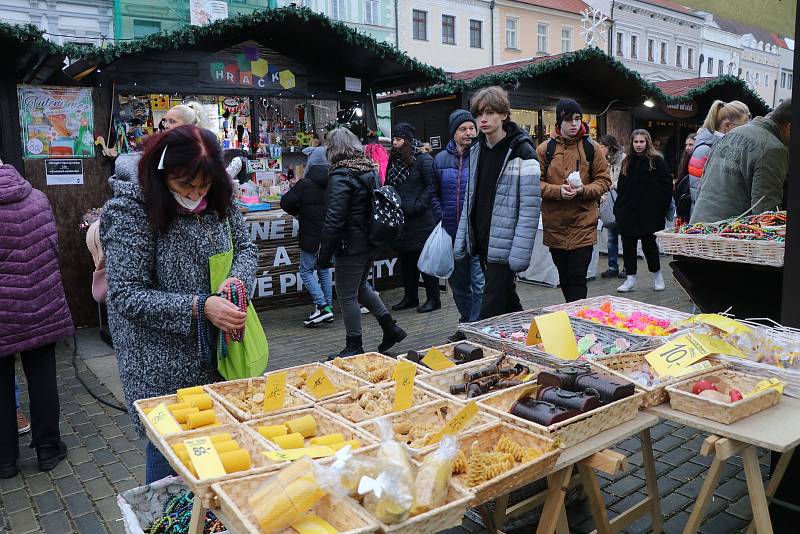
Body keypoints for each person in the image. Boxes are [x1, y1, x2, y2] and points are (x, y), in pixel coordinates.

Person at [100, 124, 257, 483]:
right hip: (160, 362)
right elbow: (126, 294)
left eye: (203, 185)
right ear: (161, 171)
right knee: (170, 454)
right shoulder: (130, 211)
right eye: (185, 184)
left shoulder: (219, 200)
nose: (195, 193)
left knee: (216, 447)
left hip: (218, 353)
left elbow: (247, 248)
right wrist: (201, 307)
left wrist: (237, 279)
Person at [1, 163, 74, 478]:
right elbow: (51, 249)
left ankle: (5, 460)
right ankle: (47, 449)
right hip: (42, 302)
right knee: (43, 379)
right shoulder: (39, 199)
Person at [317, 128, 407, 356]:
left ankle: (354, 345)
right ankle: (390, 327)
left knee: (347, 293)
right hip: (370, 241)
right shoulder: (368, 169)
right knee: (361, 286)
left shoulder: (340, 175)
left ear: (333, 149)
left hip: (351, 244)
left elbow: (334, 218)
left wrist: (324, 255)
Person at [454, 86, 541, 319]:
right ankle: (531, 335)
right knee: (508, 300)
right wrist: (466, 235)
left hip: (506, 243)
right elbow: (470, 198)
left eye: (490, 113)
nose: (483, 119)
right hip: (482, 238)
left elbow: (530, 208)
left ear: (504, 114)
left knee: (489, 307)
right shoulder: (476, 149)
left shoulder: (522, 151)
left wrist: (519, 253)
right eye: (479, 114)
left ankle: (474, 345)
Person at [537, 99, 611, 302]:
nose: (574, 124)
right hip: (556, 226)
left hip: (583, 224)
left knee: (578, 278)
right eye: (569, 120)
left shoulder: (591, 148)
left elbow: (604, 180)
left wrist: (583, 190)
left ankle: (576, 319)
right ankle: (572, 315)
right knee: (565, 277)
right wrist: (558, 191)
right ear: (559, 122)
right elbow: (535, 184)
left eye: (578, 119)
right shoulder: (545, 149)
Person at [692, 98, 790, 223]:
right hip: (730, 236)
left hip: (698, 229)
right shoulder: (773, 148)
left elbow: (702, 187)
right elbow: (766, 214)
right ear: (789, 128)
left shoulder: (730, 135)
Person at [432, 109, 485, 340]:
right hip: (451, 231)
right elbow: (432, 192)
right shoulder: (441, 159)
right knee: (459, 284)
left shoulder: (482, 155)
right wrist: (440, 213)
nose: (468, 132)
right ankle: (466, 322)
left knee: (480, 283)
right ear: (454, 132)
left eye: (471, 128)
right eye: (463, 129)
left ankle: (474, 326)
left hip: (476, 232)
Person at [386, 123, 440, 313]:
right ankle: (411, 297)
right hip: (402, 220)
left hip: (421, 219)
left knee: (424, 261)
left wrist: (418, 205)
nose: (394, 143)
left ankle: (434, 298)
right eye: (394, 139)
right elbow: (388, 184)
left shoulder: (423, 159)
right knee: (406, 262)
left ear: (407, 140)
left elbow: (432, 186)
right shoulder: (394, 161)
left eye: (398, 139)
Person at [281, 146, 334, 326]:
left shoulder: (305, 184)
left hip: (310, 234)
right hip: (328, 233)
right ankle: (328, 307)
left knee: (305, 271)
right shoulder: (334, 181)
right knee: (324, 268)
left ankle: (321, 307)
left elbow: (285, 202)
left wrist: (298, 212)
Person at [614, 130, 673, 292]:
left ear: (647, 142)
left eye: (642, 141)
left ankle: (657, 276)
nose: (639, 145)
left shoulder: (656, 161)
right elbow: (621, 187)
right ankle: (630, 279)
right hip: (628, 213)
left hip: (650, 214)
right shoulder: (627, 161)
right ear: (632, 143)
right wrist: (620, 208)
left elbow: (667, 185)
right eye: (636, 142)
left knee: (650, 247)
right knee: (628, 248)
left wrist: (660, 206)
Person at [684, 100, 751, 218]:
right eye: (743, 128)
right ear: (727, 127)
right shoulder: (703, 150)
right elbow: (697, 193)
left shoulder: (729, 147)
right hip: (706, 221)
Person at [597, 135, 625, 279]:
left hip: (622, 202)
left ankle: (627, 267)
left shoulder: (623, 159)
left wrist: (611, 185)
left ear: (610, 146)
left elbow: (625, 181)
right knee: (611, 236)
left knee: (625, 236)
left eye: (602, 145)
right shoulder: (602, 161)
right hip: (609, 202)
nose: (600, 148)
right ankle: (612, 266)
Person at [673, 132, 697, 226]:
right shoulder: (685, 160)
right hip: (684, 202)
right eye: (686, 144)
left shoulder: (695, 159)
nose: (687, 147)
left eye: (690, 144)